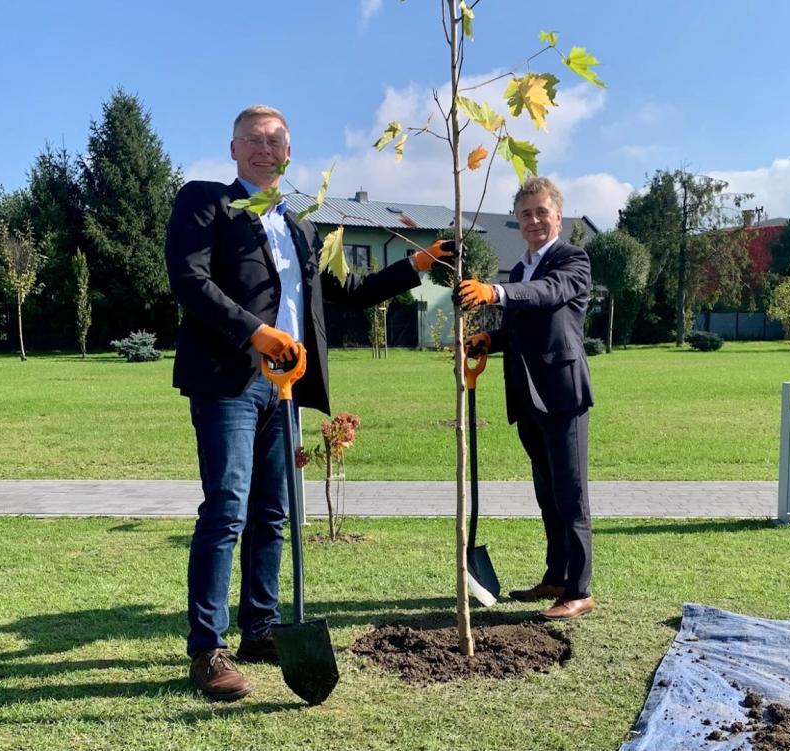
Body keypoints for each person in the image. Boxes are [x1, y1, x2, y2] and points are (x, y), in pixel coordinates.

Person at [165, 104, 451, 701]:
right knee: (227, 509)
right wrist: (255, 331)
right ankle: (207, 648)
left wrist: (417, 264)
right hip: (230, 380)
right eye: (253, 140)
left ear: (288, 154)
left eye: (276, 141)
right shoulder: (206, 201)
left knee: (274, 513)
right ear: (234, 149)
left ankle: (260, 629)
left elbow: (344, 292)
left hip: (284, 387)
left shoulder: (300, 226)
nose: (265, 149)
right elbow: (190, 280)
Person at [458, 176, 595, 621]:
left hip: (563, 394)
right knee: (547, 494)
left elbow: (548, 294)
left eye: (541, 212)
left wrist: (495, 292)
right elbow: (522, 327)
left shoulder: (573, 261)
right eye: (525, 214)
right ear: (516, 221)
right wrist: (489, 339)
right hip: (527, 397)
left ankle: (579, 590)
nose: (534, 220)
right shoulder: (519, 269)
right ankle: (556, 577)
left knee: (571, 497)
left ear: (558, 215)